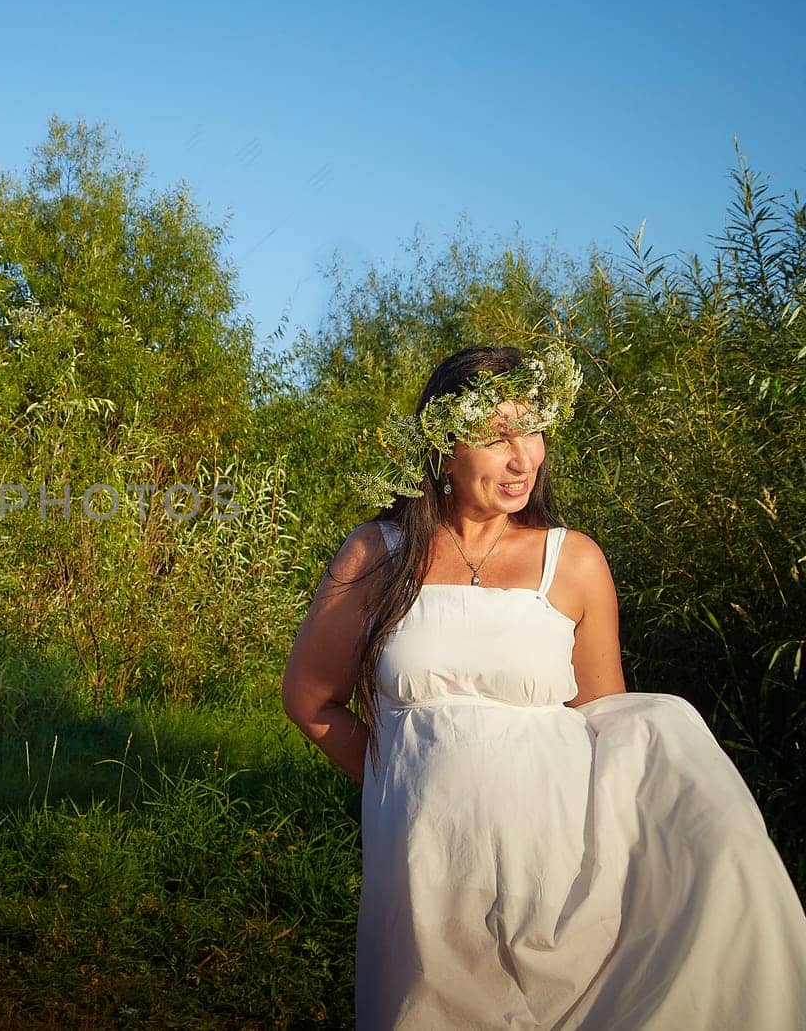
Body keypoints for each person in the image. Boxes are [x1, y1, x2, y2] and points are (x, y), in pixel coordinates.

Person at [281, 344, 806, 1028]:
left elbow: (607, 723)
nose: (523, 456)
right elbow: (310, 699)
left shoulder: (575, 561)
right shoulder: (377, 555)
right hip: (425, 877)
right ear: (443, 447)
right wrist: (408, 789)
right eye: (498, 435)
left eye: (532, 430)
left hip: (563, 878)